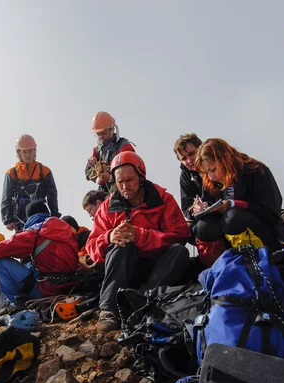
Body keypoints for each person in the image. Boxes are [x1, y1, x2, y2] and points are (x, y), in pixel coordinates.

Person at [86, 151, 191, 333]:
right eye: (120, 182)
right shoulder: (107, 208)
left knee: (179, 253)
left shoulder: (163, 199)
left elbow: (181, 235)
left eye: (130, 180)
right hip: (125, 272)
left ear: (141, 176)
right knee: (121, 247)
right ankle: (109, 310)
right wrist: (109, 237)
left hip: (157, 270)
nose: (125, 186)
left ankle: (144, 300)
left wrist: (141, 236)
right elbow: (91, 247)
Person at [193, 139, 284, 260]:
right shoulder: (211, 182)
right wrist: (202, 208)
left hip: (264, 234)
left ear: (225, 159)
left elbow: (272, 212)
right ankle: (220, 267)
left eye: (213, 169)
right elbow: (209, 203)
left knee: (232, 218)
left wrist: (234, 204)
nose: (211, 176)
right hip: (227, 240)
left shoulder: (256, 170)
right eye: (206, 172)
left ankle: (254, 262)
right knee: (203, 227)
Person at [0, 201, 81, 306]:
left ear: (29, 217)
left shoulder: (35, 233)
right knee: (29, 265)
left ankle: (16, 307)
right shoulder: (67, 230)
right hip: (70, 286)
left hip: (47, 289)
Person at [1, 134, 61, 232]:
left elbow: (52, 195)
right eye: (25, 152)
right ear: (19, 152)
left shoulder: (44, 171)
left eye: (30, 151)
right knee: (22, 243)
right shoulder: (12, 173)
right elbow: (6, 197)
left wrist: (54, 214)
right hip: (20, 216)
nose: (28, 155)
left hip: (40, 213)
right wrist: (7, 219)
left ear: (34, 151)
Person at [85, 111, 135, 193]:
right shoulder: (97, 151)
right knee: (91, 204)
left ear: (112, 129)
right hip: (105, 191)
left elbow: (131, 176)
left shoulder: (124, 147)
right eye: (98, 134)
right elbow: (88, 173)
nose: (101, 137)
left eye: (104, 133)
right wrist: (92, 165)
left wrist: (110, 178)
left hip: (123, 191)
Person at [174, 133, 204, 220]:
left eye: (191, 154)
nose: (189, 160)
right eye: (183, 159)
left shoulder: (218, 164)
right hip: (203, 218)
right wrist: (194, 210)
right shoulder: (185, 175)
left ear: (201, 149)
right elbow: (186, 207)